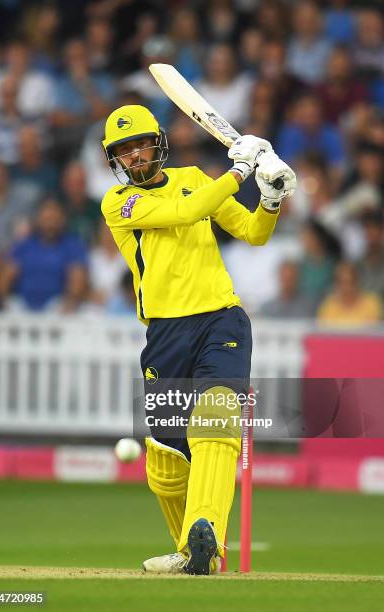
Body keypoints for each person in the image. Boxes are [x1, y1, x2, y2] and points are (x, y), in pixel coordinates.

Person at [100, 104, 296, 574]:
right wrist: (241, 170)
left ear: (158, 143)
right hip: (165, 333)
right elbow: (185, 211)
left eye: (141, 145)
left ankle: (206, 530)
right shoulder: (119, 203)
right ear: (115, 160)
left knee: (213, 423)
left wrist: (269, 200)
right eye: (124, 152)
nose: (135, 158)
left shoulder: (193, 176)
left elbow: (252, 233)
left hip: (221, 321)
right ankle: (194, 556)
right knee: (167, 459)